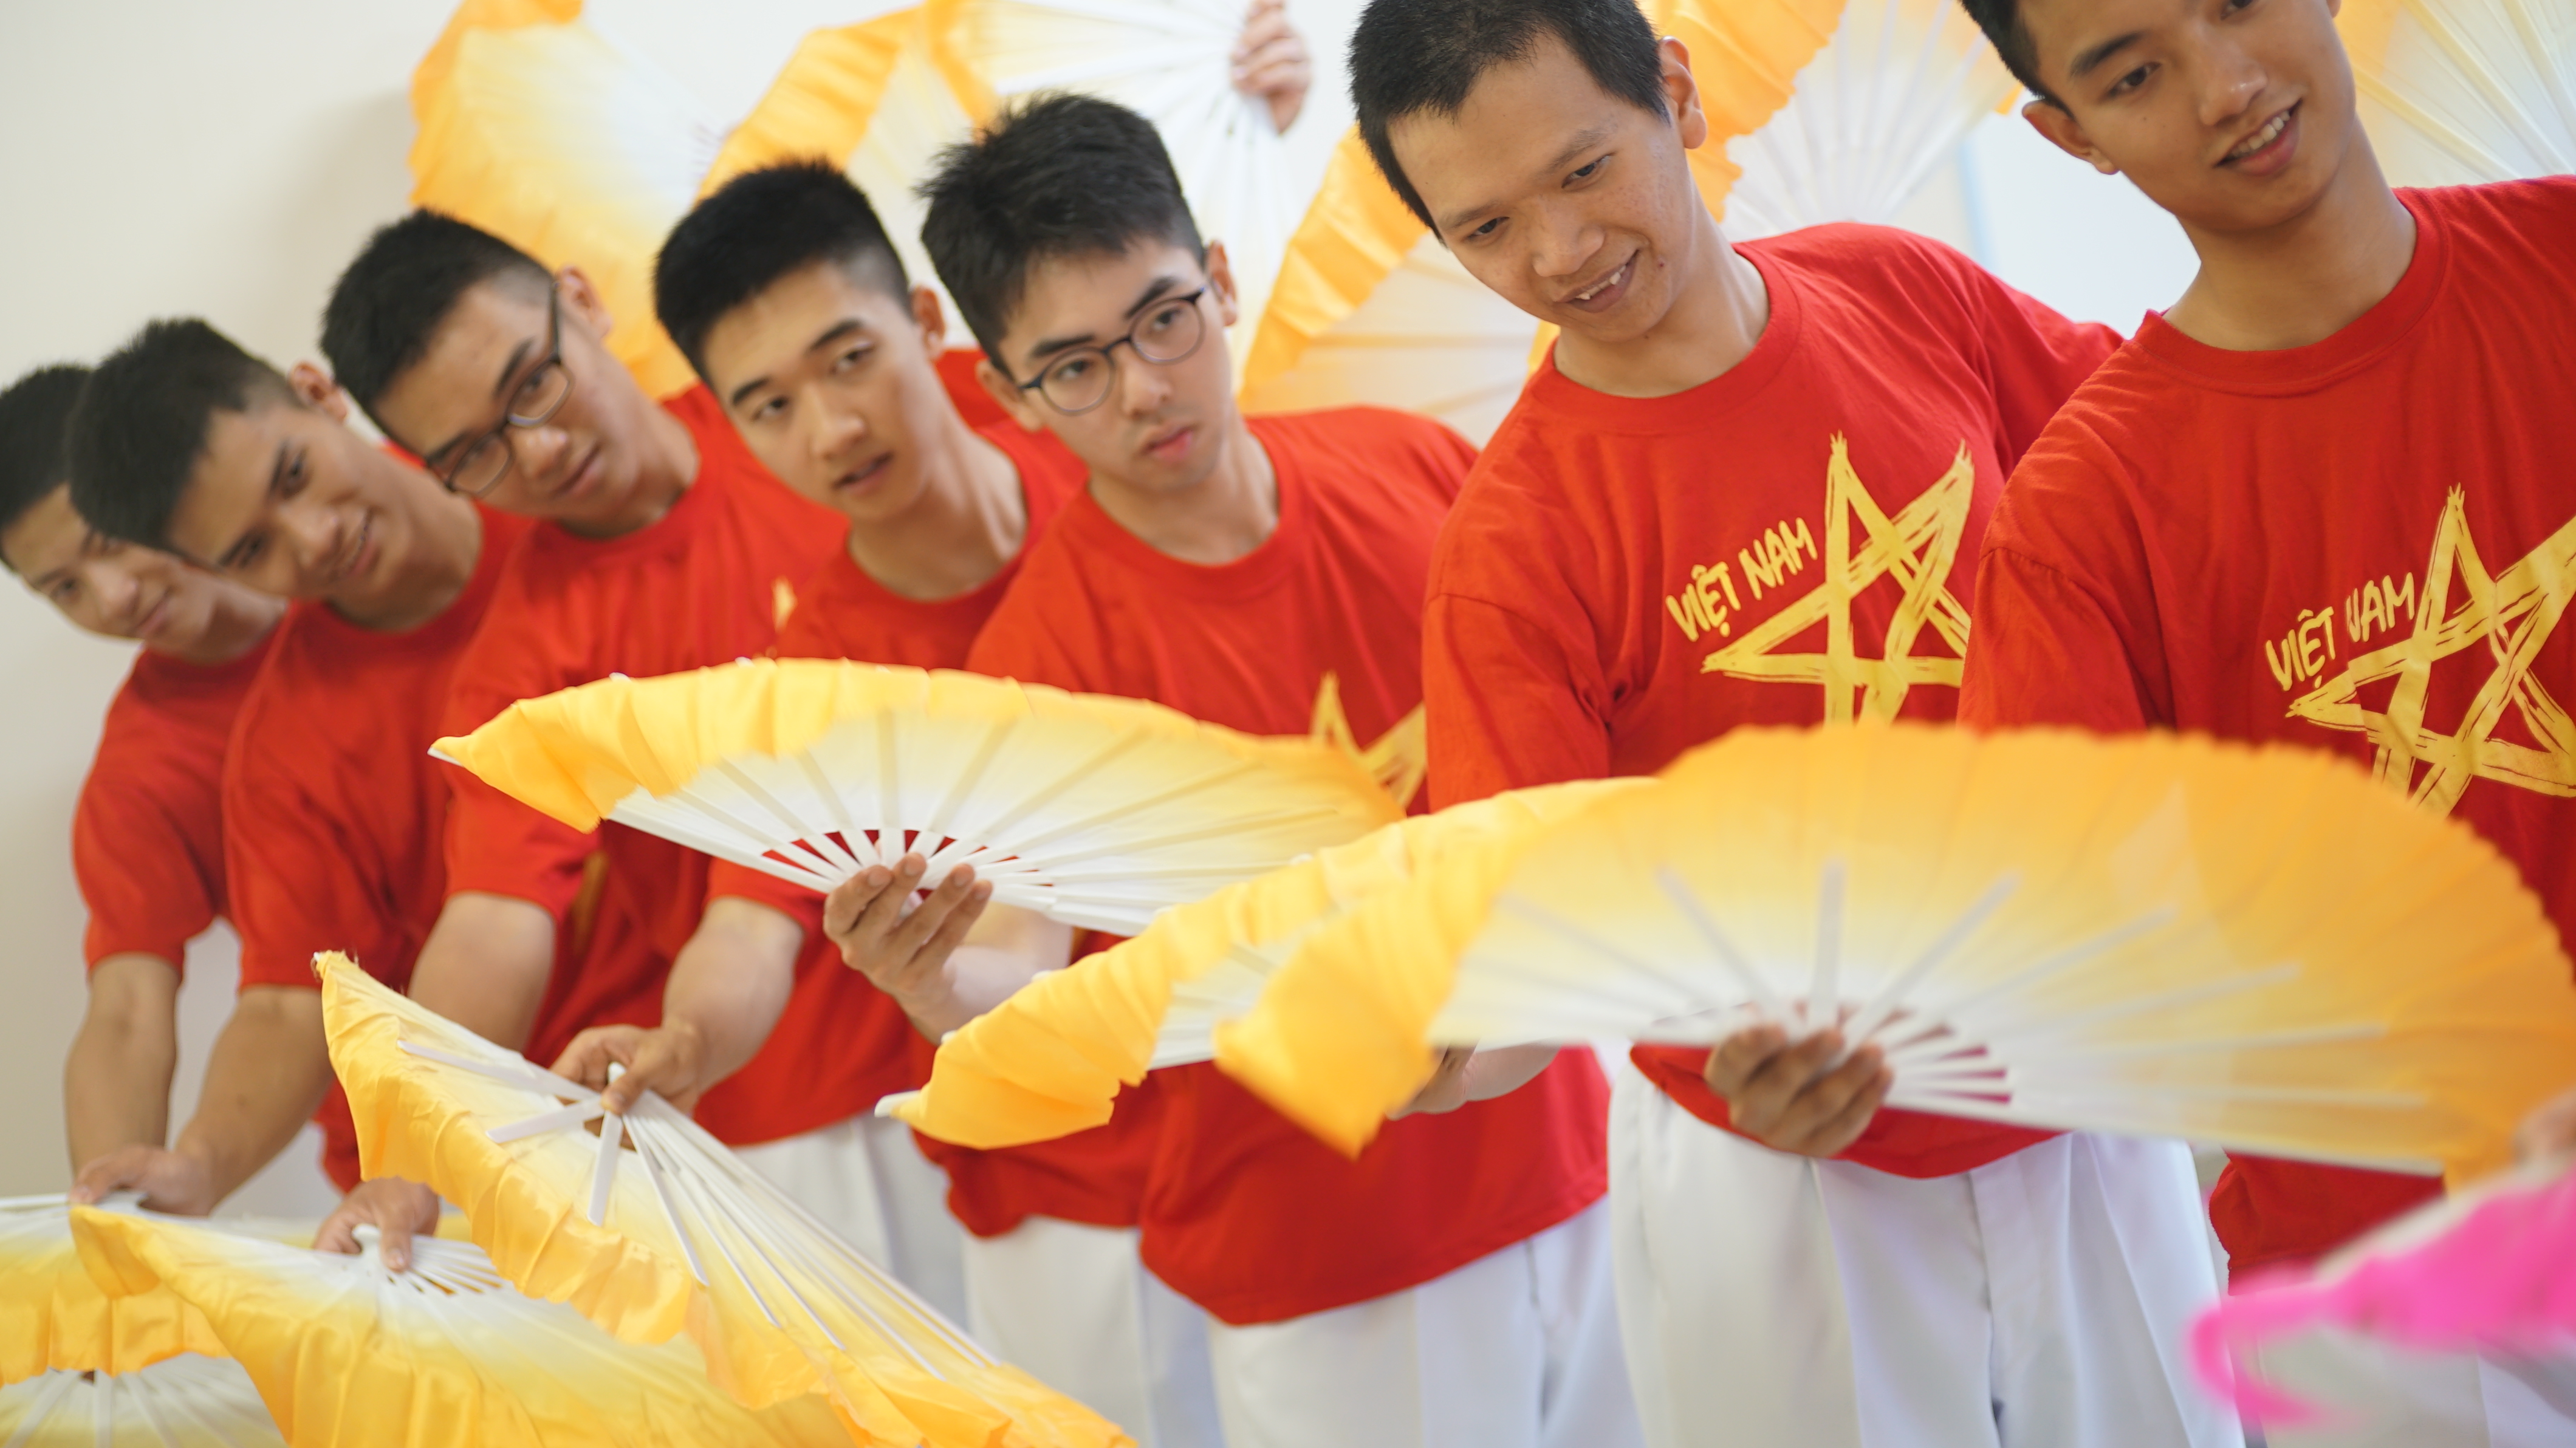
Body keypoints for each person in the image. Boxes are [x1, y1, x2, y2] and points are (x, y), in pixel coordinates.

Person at [1345, 1, 2242, 1444]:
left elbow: (2159, 470)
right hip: (1780, 1154)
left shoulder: (1897, 289)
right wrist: (1421, 1062)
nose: (1557, 253)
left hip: (2073, 1057)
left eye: (1583, 171)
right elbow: (1525, 951)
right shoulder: (1510, 551)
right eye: (1486, 228)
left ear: (1676, 95)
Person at [902, 90, 1639, 1448]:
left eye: (1162, 320)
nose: (1143, 387)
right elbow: (1021, 969)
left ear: (1222, 279)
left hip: (1576, 1148)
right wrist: (937, 983)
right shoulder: (1030, 675)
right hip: (1324, 1255)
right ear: (1006, 392)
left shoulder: (1412, 464)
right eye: (1073, 367)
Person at [1951, 0, 2576, 1438]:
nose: (2224, 88)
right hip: (2399, 1305)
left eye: (2231, 4)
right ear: (2068, 134)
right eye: (2133, 73)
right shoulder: (2085, 514)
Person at [546, 160, 1092, 1320]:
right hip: (1059, 1172)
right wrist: (688, 1041)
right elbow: (751, 918)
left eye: (851, 359)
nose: (833, 429)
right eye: (770, 406)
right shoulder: (819, 683)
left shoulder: (1101, 449)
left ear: (928, 321)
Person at [300, 208, 862, 1263]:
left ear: (584, 302)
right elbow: (493, 918)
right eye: (475, 451)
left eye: (533, 385)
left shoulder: (806, 422)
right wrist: (415, 1156)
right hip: (793, 1107)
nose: (539, 450)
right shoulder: (525, 667)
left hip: (1053, 1003)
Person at [55, 319, 657, 1236]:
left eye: (293, 475)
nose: (315, 537)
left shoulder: (558, 488)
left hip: (736, 1063)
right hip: (500, 1170)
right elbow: (288, 1002)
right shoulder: (283, 754)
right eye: (251, 551)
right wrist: (202, 1163)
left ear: (317, 393)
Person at [1, 362, 287, 1178]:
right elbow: (127, 1010)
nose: (113, 598)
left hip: (613, 1028)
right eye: (66, 589)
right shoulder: (140, 778)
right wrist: (113, 1212)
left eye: (108, 541)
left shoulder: (367, 562)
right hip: (420, 1152)